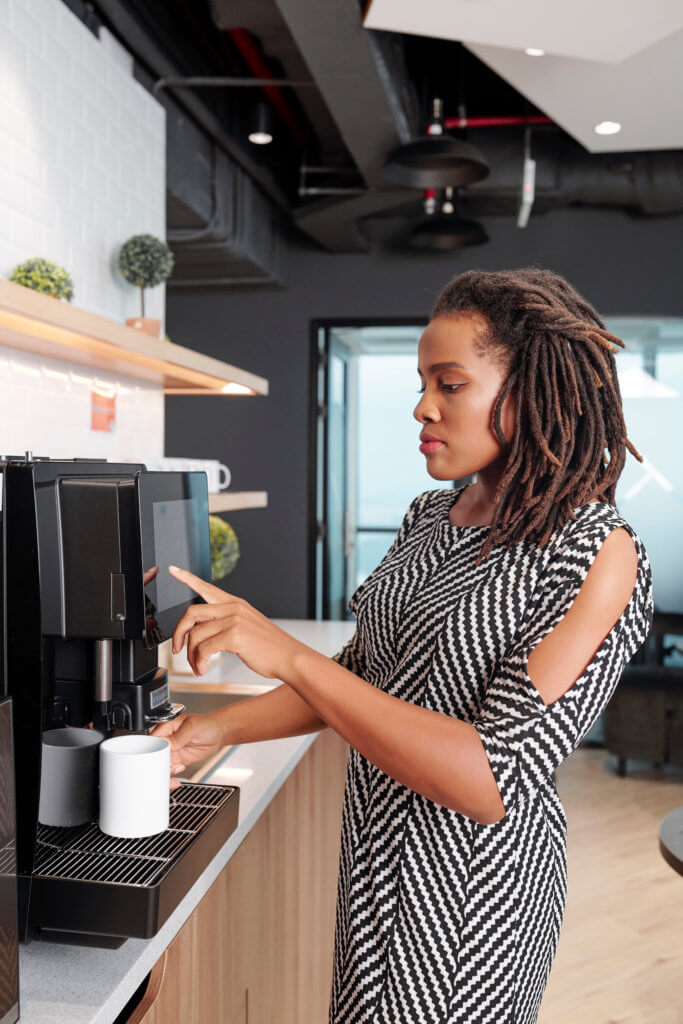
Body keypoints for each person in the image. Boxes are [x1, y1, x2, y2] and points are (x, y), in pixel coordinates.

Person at [152, 267, 654, 1024]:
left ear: (533, 391)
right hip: (374, 865)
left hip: (470, 906)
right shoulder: (431, 513)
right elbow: (364, 675)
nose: (422, 406)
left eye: (449, 384)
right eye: (423, 381)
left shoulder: (595, 553)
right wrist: (212, 730)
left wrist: (285, 651)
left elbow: (490, 780)